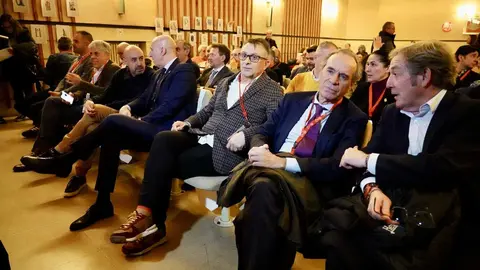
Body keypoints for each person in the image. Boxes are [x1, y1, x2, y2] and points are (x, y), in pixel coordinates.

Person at [111, 38, 283, 256]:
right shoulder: (227, 82)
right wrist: (189, 122)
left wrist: (246, 134)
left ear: (267, 62)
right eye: (244, 55)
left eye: (255, 57)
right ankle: (146, 215)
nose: (247, 61)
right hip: (202, 135)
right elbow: (206, 112)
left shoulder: (272, 90)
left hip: (226, 149)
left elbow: (273, 126)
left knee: (165, 162)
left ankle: (154, 225)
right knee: (164, 138)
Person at [323, 41, 480, 270]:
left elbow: (441, 167)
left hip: (448, 222)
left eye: (395, 74)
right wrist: (372, 189)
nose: (388, 83)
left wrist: (369, 160)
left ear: (424, 76)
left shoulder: (468, 113)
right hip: (396, 212)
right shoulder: (392, 113)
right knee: (339, 239)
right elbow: (367, 161)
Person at [21, 35, 198, 232]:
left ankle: (66, 158)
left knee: (112, 121)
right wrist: (129, 107)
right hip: (153, 129)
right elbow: (143, 99)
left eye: (152, 51)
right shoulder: (159, 74)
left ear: (163, 50)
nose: (149, 55)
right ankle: (102, 203)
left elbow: (170, 106)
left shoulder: (184, 71)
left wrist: (139, 121)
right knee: (111, 135)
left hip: (168, 132)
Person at [218, 49, 368, 270]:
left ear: (352, 86)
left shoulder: (354, 117)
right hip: (270, 171)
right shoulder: (292, 101)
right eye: (331, 71)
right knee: (265, 194)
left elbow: (337, 167)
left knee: (260, 199)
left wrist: (281, 163)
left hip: (309, 184)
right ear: (318, 71)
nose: (334, 80)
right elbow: (263, 131)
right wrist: (260, 150)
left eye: (344, 77)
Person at [55, 45, 153, 198]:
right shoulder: (120, 74)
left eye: (141, 58)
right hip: (112, 113)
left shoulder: (150, 76)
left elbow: (139, 102)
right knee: (91, 127)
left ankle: (60, 150)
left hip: (134, 118)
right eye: (134, 60)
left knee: (96, 111)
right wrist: (90, 103)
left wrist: (95, 103)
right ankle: (79, 173)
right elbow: (105, 95)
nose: (140, 63)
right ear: (124, 61)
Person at [29, 40, 120, 157]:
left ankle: (45, 148)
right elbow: (84, 90)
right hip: (81, 102)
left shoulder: (113, 69)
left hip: (92, 107)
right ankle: (45, 146)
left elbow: (105, 92)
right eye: (91, 54)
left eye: (96, 54)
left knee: (52, 111)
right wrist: (69, 95)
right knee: (52, 101)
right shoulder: (94, 69)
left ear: (107, 55)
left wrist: (80, 83)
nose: (92, 57)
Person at [19, 31, 94, 140]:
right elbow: (64, 80)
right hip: (65, 93)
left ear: (87, 44)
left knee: (44, 104)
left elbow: (83, 86)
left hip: (76, 97)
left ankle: (45, 137)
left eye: (76, 41)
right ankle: (42, 130)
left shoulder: (90, 62)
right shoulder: (77, 59)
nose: (73, 44)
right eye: (73, 41)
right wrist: (57, 91)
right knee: (34, 104)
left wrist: (61, 94)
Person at [0, 14, 40, 123]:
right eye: (5, 27)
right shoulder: (2, 35)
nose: (7, 29)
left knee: (28, 91)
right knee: (17, 91)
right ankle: (23, 112)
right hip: (11, 67)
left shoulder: (23, 32)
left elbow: (32, 45)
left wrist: (15, 49)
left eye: (9, 27)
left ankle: (32, 113)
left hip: (24, 65)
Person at [350, 50, 394, 127]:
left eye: (373, 65)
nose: (367, 70)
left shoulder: (393, 92)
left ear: (387, 68)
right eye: (367, 64)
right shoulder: (362, 88)